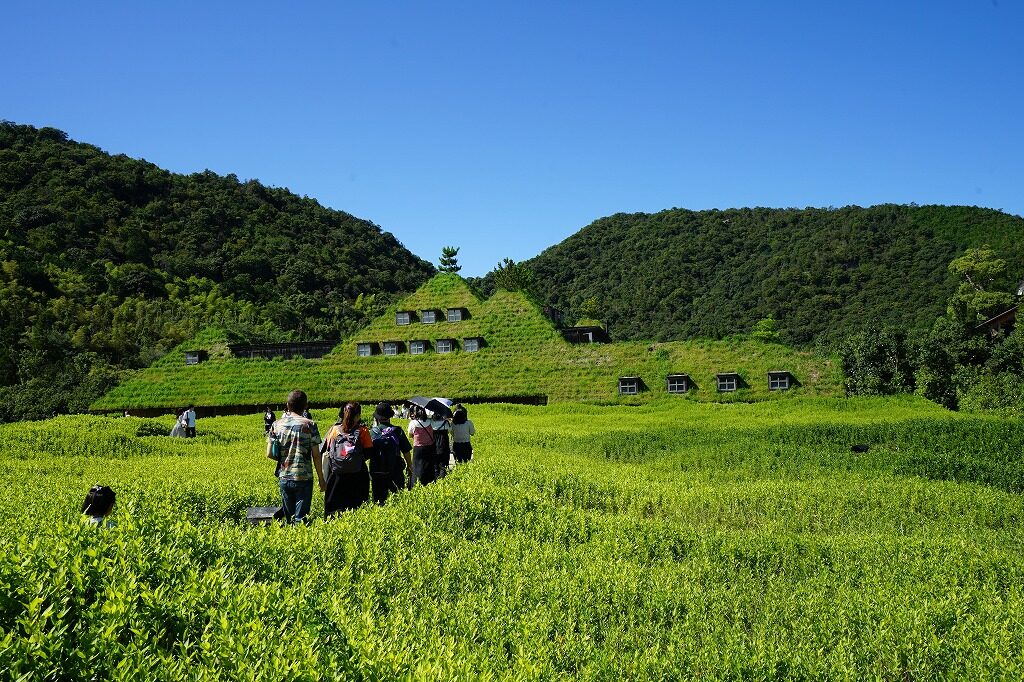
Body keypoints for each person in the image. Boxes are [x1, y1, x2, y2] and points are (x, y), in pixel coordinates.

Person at [267, 390, 324, 524]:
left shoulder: (276, 425)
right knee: (301, 520)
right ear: (305, 406)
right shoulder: (310, 425)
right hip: (304, 477)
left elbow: (269, 453)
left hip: (285, 476)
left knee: (289, 519)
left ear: (287, 404)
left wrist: (284, 459)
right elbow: (316, 455)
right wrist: (322, 479)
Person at [321, 402, 373, 515]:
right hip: (358, 474)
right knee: (357, 508)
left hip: (336, 474)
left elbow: (327, 449)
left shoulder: (334, 430)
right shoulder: (363, 431)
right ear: (358, 416)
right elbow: (368, 452)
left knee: (334, 508)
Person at [368, 403, 412, 505]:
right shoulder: (398, 431)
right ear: (390, 416)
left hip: (377, 471)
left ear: (377, 418)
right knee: (398, 497)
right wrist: (410, 466)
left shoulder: (372, 433)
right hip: (395, 469)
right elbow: (406, 451)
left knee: (379, 500)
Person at [407, 406, 436, 487]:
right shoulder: (430, 421)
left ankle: (417, 483)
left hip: (418, 448)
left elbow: (410, 434)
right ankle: (429, 482)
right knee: (429, 465)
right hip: (429, 447)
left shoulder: (413, 423)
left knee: (417, 466)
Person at [429, 409, 452, 479]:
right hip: (444, 445)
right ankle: (443, 479)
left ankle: (436, 478)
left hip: (433, 445)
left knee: (435, 464)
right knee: (443, 465)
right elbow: (449, 431)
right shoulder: (446, 423)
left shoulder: (430, 423)